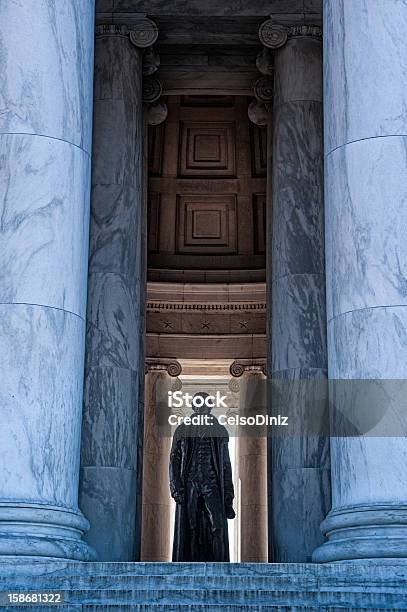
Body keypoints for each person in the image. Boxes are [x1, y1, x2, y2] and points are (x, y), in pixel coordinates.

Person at [169, 392, 235, 561]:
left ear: (210, 406)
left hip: (211, 482)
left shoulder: (219, 430)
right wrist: (176, 486)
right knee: (190, 527)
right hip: (190, 481)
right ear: (193, 406)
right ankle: (188, 566)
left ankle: (221, 567)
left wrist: (228, 495)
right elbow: (174, 460)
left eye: (206, 404)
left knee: (217, 525)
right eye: (199, 403)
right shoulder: (182, 429)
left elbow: (226, 465)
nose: (202, 407)